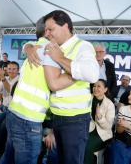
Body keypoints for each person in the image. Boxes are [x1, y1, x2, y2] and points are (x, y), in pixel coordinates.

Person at [0, 17, 76, 164]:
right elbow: (55, 83)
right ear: (47, 32)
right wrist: (79, 75)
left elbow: (27, 45)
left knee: (8, 157)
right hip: (28, 121)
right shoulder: (51, 51)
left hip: (15, 114)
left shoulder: (36, 47)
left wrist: (27, 47)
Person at [25, 11, 99, 164]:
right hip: (57, 118)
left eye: (50, 29)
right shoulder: (54, 45)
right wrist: (28, 48)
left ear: (65, 26)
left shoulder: (82, 46)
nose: (47, 33)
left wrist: (60, 58)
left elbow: (92, 74)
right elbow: (30, 45)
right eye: (45, 30)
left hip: (75, 119)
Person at [84, 79, 115, 164]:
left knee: (87, 148)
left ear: (105, 89)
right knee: (75, 145)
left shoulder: (110, 104)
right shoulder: (87, 98)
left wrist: (100, 117)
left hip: (101, 134)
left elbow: (108, 126)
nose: (95, 88)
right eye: (94, 86)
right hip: (86, 130)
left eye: (99, 86)